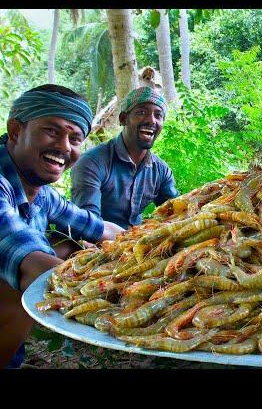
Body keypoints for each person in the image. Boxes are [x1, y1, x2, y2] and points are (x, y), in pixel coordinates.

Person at [0, 84, 123, 369]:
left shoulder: (40, 193)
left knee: (74, 247)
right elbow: (35, 268)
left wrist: (153, 243)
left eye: (75, 138)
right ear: (16, 130)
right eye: (52, 131)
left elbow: (99, 228)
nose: (65, 147)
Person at [71, 87, 179, 230]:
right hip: (93, 245)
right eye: (141, 112)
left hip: (136, 243)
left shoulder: (161, 170)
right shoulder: (92, 162)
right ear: (123, 119)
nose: (151, 120)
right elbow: (88, 223)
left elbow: (176, 212)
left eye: (158, 115)